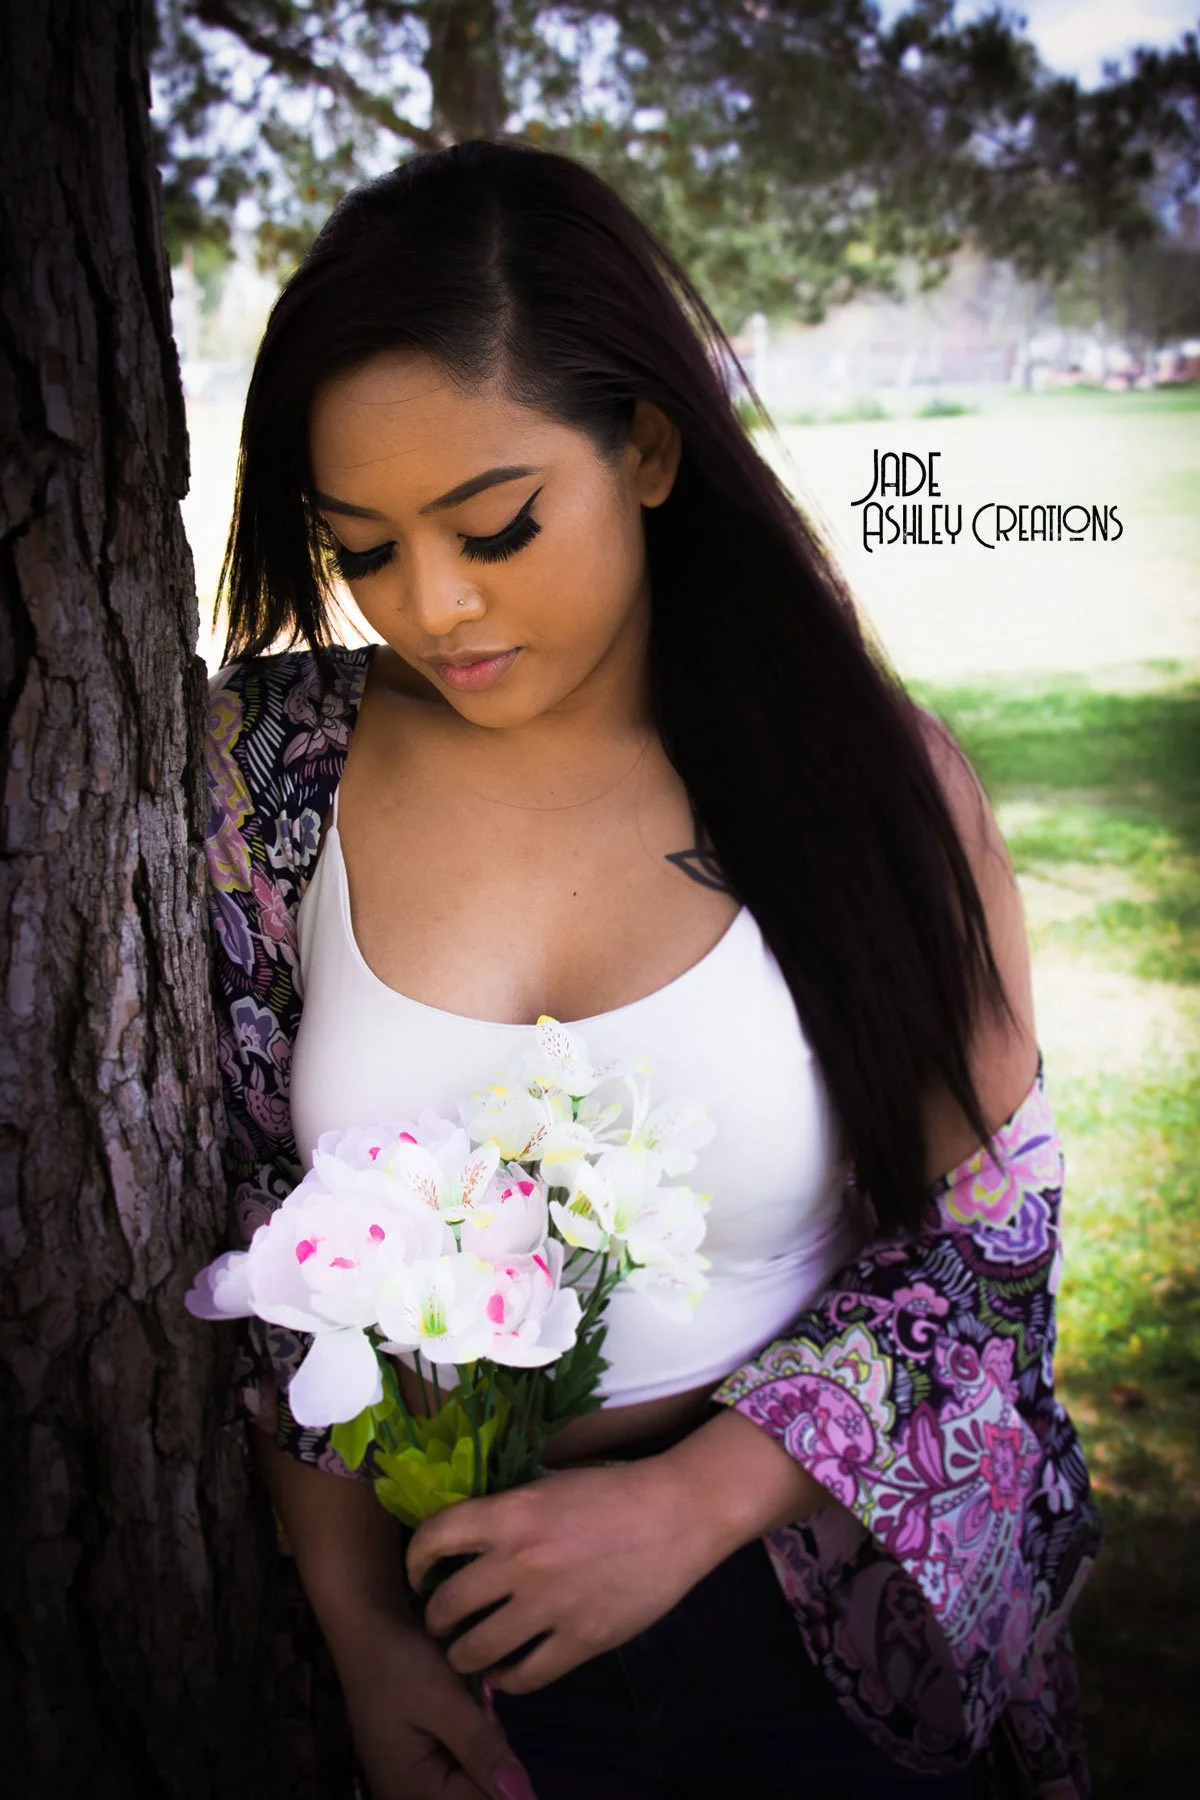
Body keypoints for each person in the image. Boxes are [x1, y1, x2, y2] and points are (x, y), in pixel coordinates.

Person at [201, 138, 1102, 1800]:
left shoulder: (866, 779)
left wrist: (690, 1506)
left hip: (811, 1626)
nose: (434, 606)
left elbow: (992, 1241)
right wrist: (361, 1626)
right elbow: (261, 1221)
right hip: (439, 1653)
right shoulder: (271, 778)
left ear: (652, 448)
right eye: (364, 547)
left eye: (494, 526)